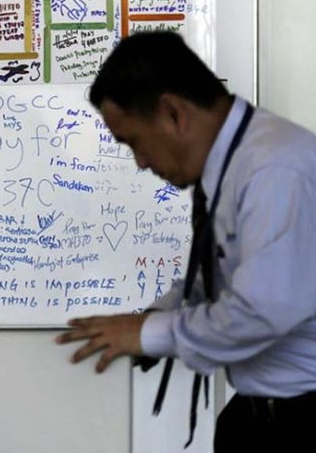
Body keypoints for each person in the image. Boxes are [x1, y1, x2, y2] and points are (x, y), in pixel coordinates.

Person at [56, 31, 316, 451]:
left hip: (298, 419)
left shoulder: (275, 169)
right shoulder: (234, 163)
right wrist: (153, 316)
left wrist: (150, 333)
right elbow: (215, 280)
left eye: (134, 143)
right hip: (258, 414)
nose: (140, 163)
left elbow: (263, 310)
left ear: (173, 114)